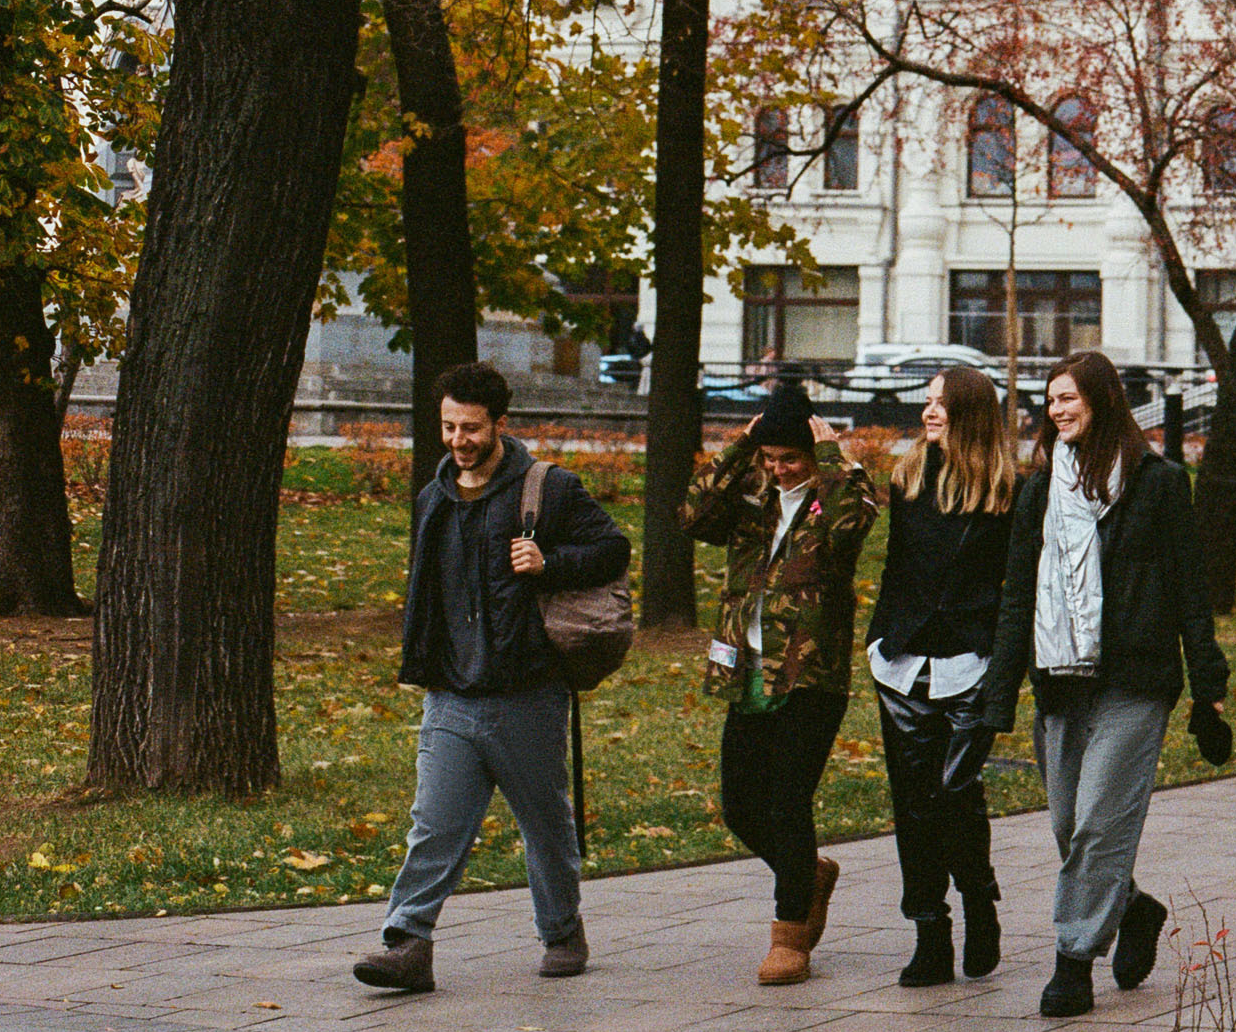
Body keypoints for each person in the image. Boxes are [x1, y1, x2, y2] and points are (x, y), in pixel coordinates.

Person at [353, 359, 630, 997]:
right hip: (452, 691)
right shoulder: (434, 497)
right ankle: (407, 943)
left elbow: (613, 549)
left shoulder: (548, 489)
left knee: (544, 823)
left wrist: (550, 562)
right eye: (448, 427)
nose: (457, 441)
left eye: (471, 428)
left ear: (500, 424)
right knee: (434, 823)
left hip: (525, 692)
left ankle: (562, 932)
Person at [979, 347, 1232, 1020]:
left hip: (1136, 679)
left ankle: (1072, 960)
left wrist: (1208, 687)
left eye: (1070, 397)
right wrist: (995, 700)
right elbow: (1016, 599)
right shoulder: (1038, 493)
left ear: (1104, 401)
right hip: (1060, 680)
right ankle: (1133, 907)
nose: (1058, 409)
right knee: (1068, 824)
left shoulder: (1158, 482)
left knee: (1098, 823)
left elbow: (1190, 587)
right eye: (1051, 398)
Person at [683, 375, 881, 984]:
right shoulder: (752, 498)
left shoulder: (837, 496)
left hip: (808, 676)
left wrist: (828, 460)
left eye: (789, 458)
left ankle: (790, 934)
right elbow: (693, 513)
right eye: (772, 459)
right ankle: (808, 874)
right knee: (742, 806)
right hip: (745, 670)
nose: (781, 470)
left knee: (787, 799)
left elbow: (855, 520)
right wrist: (742, 449)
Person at [864, 361, 1014, 985]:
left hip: (969, 664)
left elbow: (1014, 589)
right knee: (912, 804)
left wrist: (1004, 668)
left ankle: (979, 899)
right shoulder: (907, 479)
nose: (929, 412)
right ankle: (929, 928)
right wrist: (877, 638)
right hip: (902, 663)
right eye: (926, 402)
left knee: (955, 794)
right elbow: (898, 568)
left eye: (942, 404)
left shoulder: (1008, 492)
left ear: (971, 414)